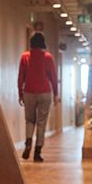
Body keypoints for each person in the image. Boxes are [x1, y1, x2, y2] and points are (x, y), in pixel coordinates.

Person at [17, 32, 59, 162]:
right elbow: (53, 77)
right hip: (44, 92)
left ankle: (28, 143)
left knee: (29, 120)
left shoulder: (24, 57)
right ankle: (37, 152)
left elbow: (20, 77)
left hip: (29, 92)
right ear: (43, 43)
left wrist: (20, 94)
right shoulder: (48, 57)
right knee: (41, 122)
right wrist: (56, 94)